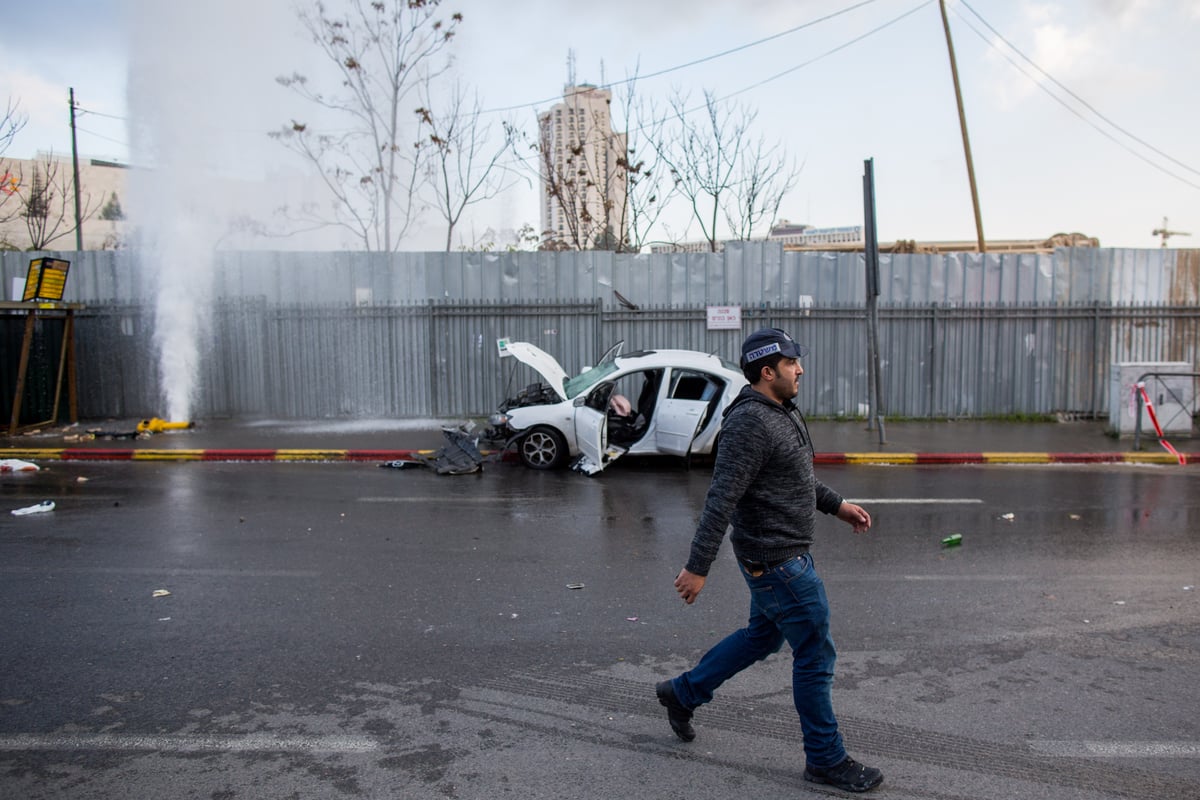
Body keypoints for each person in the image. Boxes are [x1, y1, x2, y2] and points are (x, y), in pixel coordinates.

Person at [655, 327, 884, 794]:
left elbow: (795, 479)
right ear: (767, 371)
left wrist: (837, 505)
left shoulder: (781, 413)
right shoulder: (749, 424)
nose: (800, 370)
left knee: (762, 637)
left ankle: (682, 693)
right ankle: (825, 758)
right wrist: (698, 567)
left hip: (784, 555)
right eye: (791, 364)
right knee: (815, 654)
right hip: (777, 561)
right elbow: (720, 499)